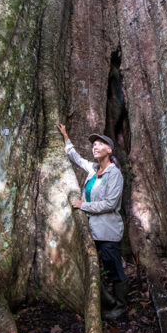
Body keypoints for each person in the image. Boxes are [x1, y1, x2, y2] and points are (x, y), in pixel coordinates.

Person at [56, 123, 128, 319]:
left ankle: (121, 307)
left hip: (108, 232)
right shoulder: (93, 169)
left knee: (113, 269)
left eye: (100, 144)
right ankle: (108, 303)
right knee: (91, 267)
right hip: (93, 230)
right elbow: (75, 157)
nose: (95, 147)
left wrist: (83, 205)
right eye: (93, 144)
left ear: (109, 150)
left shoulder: (114, 174)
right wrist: (65, 135)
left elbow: (110, 204)